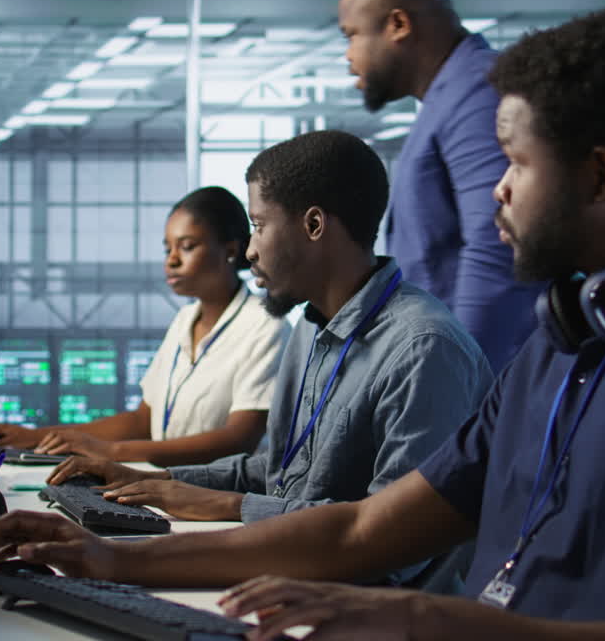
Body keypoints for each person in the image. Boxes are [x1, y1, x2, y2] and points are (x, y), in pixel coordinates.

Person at [0, 10, 605, 640]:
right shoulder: (563, 342)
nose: (496, 192)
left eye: (514, 163)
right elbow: (361, 530)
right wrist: (105, 561)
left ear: (600, 174)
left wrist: (422, 617)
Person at [34, 129, 491, 532]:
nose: (249, 251)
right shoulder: (310, 331)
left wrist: (227, 506)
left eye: (258, 225)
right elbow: (277, 474)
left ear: (313, 224)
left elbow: (395, 536)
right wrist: (155, 481)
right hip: (299, 569)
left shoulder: (422, 349)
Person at [0, 186, 290, 467]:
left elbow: (238, 439)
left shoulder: (265, 326)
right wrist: (36, 437)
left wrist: (110, 452)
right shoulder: (185, 321)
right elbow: (143, 420)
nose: (171, 260)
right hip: (163, 485)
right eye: (167, 249)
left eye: (187, 246)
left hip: (218, 495)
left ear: (230, 249)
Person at [339, 0, 538, 372]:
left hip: (477, 376)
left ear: (398, 25)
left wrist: (457, 378)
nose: (348, 54)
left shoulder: (478, 93)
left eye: (352, 35)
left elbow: (496, 242)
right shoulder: (448, 97)